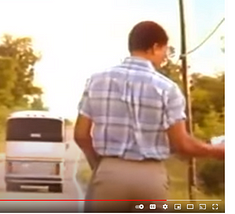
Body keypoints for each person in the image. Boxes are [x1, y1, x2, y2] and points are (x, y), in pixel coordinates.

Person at [74, 21, 225, 212]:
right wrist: (217, 150)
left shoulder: (96, 81)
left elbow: (81, 135)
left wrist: (98, 165)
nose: (165, 56)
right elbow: (182, 145)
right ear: (155, 47)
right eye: (165, 50)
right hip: (150, 177)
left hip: (109, 172)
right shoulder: (167, 88)